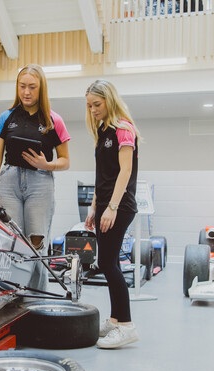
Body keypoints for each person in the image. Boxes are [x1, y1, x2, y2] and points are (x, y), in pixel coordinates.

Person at [0, 64, 71, 292]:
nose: (26, 92)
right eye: (22, 86)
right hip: (10, 181)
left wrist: (47, 164)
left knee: (36, 243)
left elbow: (65, 161)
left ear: (41, 89)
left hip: (40, 182)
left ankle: (37, 297)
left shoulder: (54, 120)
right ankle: (13, 295)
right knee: (13, 241)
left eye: (32, 87)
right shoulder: (6, 117)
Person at [83, 79, 141, 349]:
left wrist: (112, 207)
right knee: (110, 263)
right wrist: (95, 206)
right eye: (89, 105)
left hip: (120, 205)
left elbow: (124, 172)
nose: (93, 109)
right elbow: (102, 177)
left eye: (97, 104)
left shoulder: (123, 129)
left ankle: (126, 325)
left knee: (107, 264)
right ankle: (116, 319)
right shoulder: (103, 131)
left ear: (109, 100)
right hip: (106, 204)